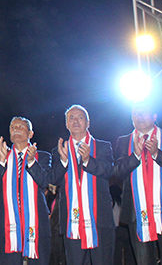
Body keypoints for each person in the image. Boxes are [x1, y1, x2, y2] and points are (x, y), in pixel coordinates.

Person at [113, 105, 162, 265]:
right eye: (135, 113)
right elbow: (117, 172)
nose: (139, 116)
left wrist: (157, 153)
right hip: (136, 212)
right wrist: (135, 155)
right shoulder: (124, 141)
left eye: (143, 112)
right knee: (143, 260)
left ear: (154, 115)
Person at [51, 105, 115, 264]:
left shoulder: (102, 146)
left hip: (100, 220)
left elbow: (109, 172)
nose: (75, 121)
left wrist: (88, 160)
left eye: (80, 117)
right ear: (66, 124)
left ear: (88, 123)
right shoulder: (59, 150)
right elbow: (53, 179)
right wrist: (63, 161)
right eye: (71, 118)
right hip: (72, 221)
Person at [0, 117, 52, 264]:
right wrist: (1, 161)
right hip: (7, 225)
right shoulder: (1, 155)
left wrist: (31, 162)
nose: (16, 129)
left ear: (30, 134)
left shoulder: (42, 156)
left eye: (21, 127)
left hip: (36, 225)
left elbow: (45, 182)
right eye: (13, 127)